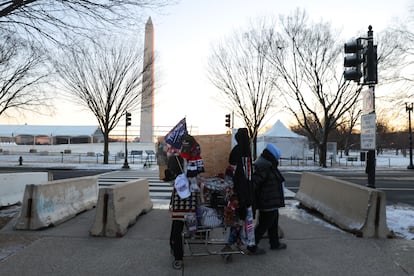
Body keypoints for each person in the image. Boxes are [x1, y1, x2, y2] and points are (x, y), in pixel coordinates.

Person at [227, 128, 265, 255]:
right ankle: (249, 244)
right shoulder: (248, 152)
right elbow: (248, 175)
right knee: (248, 219)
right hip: (248, 192)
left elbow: (230, 171)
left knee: (237, 218)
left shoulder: (236, 151)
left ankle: (234, 241)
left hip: (238, 191)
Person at [251, 143, 287, 251]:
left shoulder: (268, 165)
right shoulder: (264, 166)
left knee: (273, 224)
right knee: (263, 225)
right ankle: (252, 246)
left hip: (271, 201)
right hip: (267, 201)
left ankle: (274, 243)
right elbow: (255, 183)